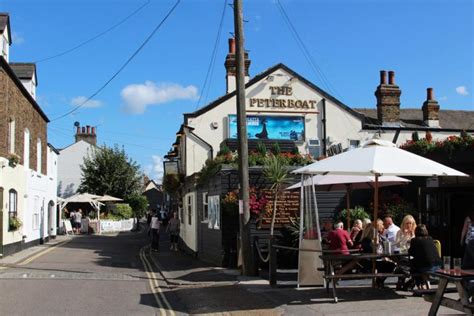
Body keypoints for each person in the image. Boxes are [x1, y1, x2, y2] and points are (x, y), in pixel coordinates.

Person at [360, 223, 395, 288]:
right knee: (389, 265)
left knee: (391, 265)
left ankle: (379, 281)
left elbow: (385, 244)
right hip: (370, 261)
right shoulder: (366, 240)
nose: (377, 232)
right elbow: (371, 251)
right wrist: (375, 244)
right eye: (375, 231)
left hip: (377, 259)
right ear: (371, 231)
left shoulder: (377, 238)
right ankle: (379, 281)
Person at [408, 224, 442, 289]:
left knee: (413, 266)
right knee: (418, 265)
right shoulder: (430, 238)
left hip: (426, 266)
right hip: (438, 265)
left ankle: (420, 287)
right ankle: (425, 284)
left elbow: (411, 252)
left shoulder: (414, 240)